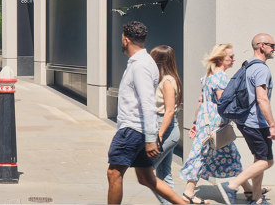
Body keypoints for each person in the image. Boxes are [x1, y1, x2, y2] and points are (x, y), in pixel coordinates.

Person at [106, 21, 185, 204]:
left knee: (114, 173)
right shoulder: (144, 62)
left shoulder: (140, 65)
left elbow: (148, 103)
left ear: (125, 40)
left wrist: (151, 139)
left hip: (132, 129)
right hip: (138, 130)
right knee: (146, 178)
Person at [180, 43, 254, 205]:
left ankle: (249, 190)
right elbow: (224, 102)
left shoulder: (208, 76)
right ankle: (188, 192)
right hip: (215, 125)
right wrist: (241, 118)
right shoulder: (221, 77)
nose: (234, 59)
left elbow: (201, 101)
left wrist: (194, 122)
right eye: (231, 57)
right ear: (221, 59)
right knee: (200, 155)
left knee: (232, 157)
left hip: (207, 123)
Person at [218, 34, 275, 205]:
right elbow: (262, 98)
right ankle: (232, 185)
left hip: (245, 121)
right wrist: (272, 124)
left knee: (259, 159)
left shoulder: (248, 66)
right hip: (256, 123)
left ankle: (256, 198)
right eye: (272, 45)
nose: (274, 49)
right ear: (262, 46)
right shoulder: (261, 69)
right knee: (267, 161)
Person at [150, 45, 183, 204]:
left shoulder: (168, 81)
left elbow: (169, 111)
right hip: (163, 127)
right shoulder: (163, 79)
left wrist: (159, 135)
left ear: (159, 61)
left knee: (146, 172)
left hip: (165, 128)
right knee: (164, 174)